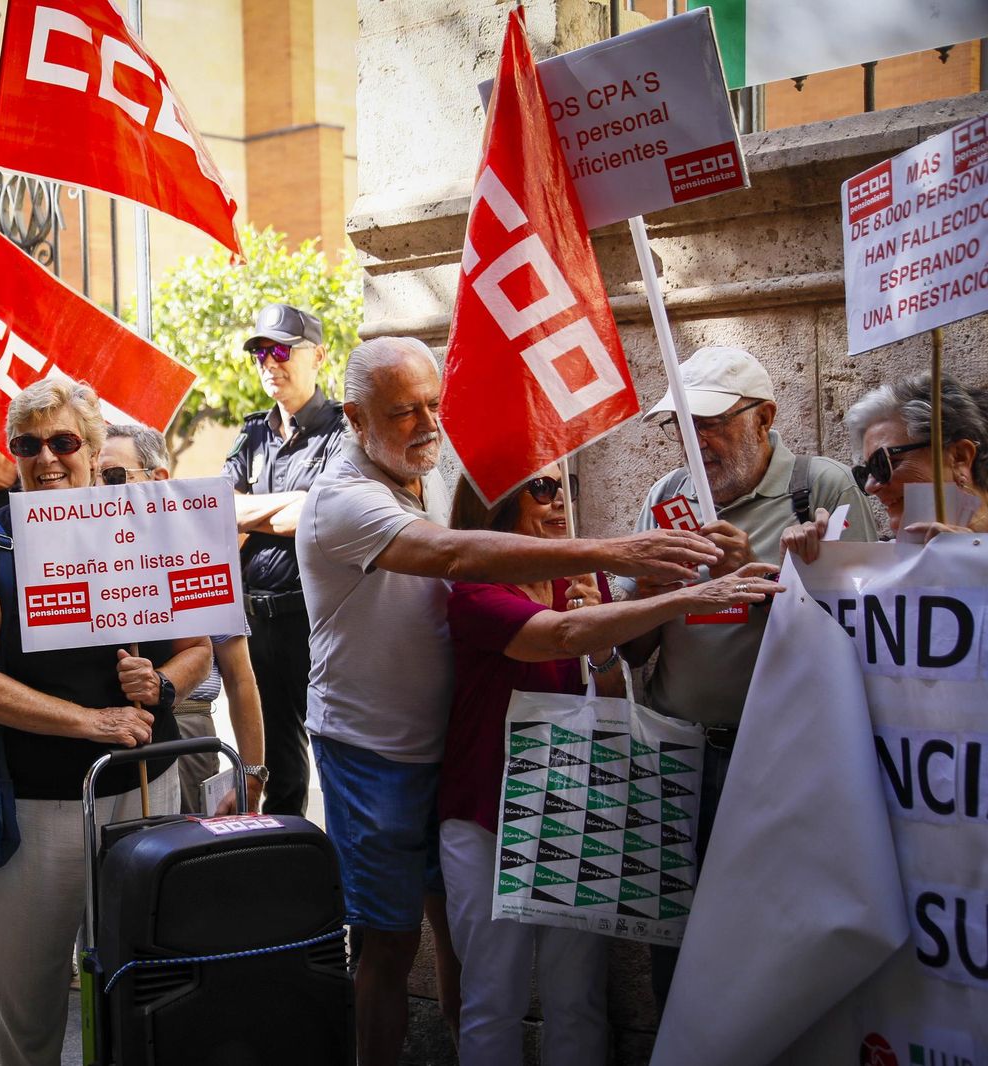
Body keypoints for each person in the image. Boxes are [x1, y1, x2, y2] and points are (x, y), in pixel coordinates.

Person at [296, 337, 723, 1066]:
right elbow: (462, 556)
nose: (426, 424)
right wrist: (615, 553)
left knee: (468, 957)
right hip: (376, 756)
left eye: (435, 405)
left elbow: (587, 648)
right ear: (355, 420)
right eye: (403, 412)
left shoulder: (418, 473)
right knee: (392, 944)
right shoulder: (344, 499)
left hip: (458, 758)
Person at [440, 467, 783, 1065]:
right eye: (540, 489)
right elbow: (560, 634)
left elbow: (603, 680)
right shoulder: (474, 586)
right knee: (493, 998)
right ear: (495, 503)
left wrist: (607, 639)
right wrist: (691, 595)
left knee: (578, 999)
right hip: (487, 815)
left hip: (573, 808)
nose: (559, 502)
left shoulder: (584, 576)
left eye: (562, 487)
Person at [0, 380, 211, 1066]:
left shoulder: (141, 533)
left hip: (146, 791)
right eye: (28, 445)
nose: (47, 459)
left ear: (91, 449)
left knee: (143, 988)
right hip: (34, 808)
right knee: (25, 1012)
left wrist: (164, 684)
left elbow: (198, 646)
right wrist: (91, 721)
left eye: (64, 442)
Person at [616, 344, 877, 1001]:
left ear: (765, 418)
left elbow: (864, 638)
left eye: (713, 422)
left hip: (778, 763)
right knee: (675, 946)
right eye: (684, 426)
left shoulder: (817, 491)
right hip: (675, 757)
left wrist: (745, 581)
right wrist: (644, 592)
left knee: (774, 953)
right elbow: (633, 647)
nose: (696, 443)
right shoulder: (665, 497)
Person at [99, 422, 267, 812]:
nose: (101, 491)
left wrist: (253, 774)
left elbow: (240, 678)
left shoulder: (199, 558)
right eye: (95, 476)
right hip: (108, 741)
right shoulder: (81, 561)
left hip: (188, 736)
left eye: (113, 476)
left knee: (185, 864)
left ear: (158, 479)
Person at [222, 303, 348, 816]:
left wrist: (248, 516)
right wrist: (288, 507)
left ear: (317, 355)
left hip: (318, 620)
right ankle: (285, 872)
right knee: (279, 770)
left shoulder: (343, 432)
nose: (269, 363)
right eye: (259, 353)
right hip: (259, 621)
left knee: (336, 754)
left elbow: (323, 515)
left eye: (280, 350)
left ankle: (343, 879)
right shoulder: (252, 433)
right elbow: (217, 512)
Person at [783, 373, 988, 554]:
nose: (871, 487)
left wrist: (972, 560)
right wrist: (805, 569)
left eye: (883, 464)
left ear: (959, 457)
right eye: (865, 472)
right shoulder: (889, 565)